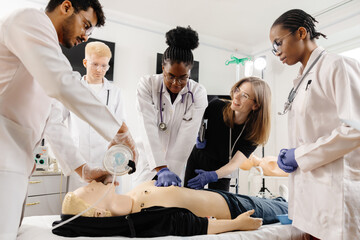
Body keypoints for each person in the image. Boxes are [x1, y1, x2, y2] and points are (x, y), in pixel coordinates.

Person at [0, 1, 136, 238]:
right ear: (66, 7)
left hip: (16, 161)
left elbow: (51, 121)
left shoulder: (46, 53)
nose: (85, 36)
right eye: (85, 25)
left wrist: (83, 170)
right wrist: (119, 130)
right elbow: (62, 83)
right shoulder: (30, 20)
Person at [270, 9, 360, 240]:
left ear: (301, 33)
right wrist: (293, 153)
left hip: (335, 194)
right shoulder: (301, 79)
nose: (276, 51)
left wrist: (299, 154)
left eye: (278, 43)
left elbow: (355, 129)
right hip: (311, 197)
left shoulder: (337, 65)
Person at [54, 180, 288, 237]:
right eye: (89, 189)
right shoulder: (140, 218)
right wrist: (238, 224)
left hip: (220, 195)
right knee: (288, 206)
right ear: (98, 213)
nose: (91, 183)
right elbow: (191, 225)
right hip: (236, 208)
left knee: (280, 201)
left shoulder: (128, 196)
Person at [133, 26, 208, 187]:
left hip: (176, 165)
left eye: (183, 78)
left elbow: (187, 138)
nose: (176, 83)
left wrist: (170, 171)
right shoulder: (147, 84)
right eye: (171, 76)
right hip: (148, 163)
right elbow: (147, 126)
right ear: (163, 68)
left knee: (168, 205)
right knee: (140, 203)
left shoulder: (198, 93)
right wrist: (160, 168)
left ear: (190, 73)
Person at [184, 77, 271, 191]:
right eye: (237, 90)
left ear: (256, 105)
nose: (236, 96)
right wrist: (197, 136)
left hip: (223, 169)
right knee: (187, 199)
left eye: (244, 95)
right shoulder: (216, 106)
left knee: (219, 205)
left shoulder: (254, 133)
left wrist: (213, 175)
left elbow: (234, 164)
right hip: (198, 158)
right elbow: (192, 122)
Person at [64, 41, 127, 192]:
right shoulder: (72, 89)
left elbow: (121, 127)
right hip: (80, 162)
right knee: (79, 208)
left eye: (104, 65)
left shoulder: (115, 92)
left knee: (108, 209)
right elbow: (56, 121)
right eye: (95, 64)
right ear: (85, 63)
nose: (99, 69)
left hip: (107, 162)